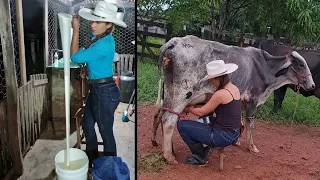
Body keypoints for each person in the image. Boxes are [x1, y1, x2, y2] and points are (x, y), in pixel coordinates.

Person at [70, 1, 127, 168]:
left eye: (98, 21)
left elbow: (74, 57)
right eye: (93, 20)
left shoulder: (104, 44)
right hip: (96, 90)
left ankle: (112, 168)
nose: (92, 24)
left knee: (105, 131)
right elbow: (84, 51)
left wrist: (75, 30)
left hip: (104, 92)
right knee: (87, 124)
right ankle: (92, 161)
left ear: (109, 24)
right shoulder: (100, 38)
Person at [178, 60, 242, 165]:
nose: (210, 83)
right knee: (206, 120)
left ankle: (199, 158)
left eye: (210, 80)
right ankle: (206, 146)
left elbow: (201, 112)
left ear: (216, 78)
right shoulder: (234, 88)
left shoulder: (220, 94)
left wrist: (187, 109)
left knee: (181, 125)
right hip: (234, 134)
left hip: (222, 135)